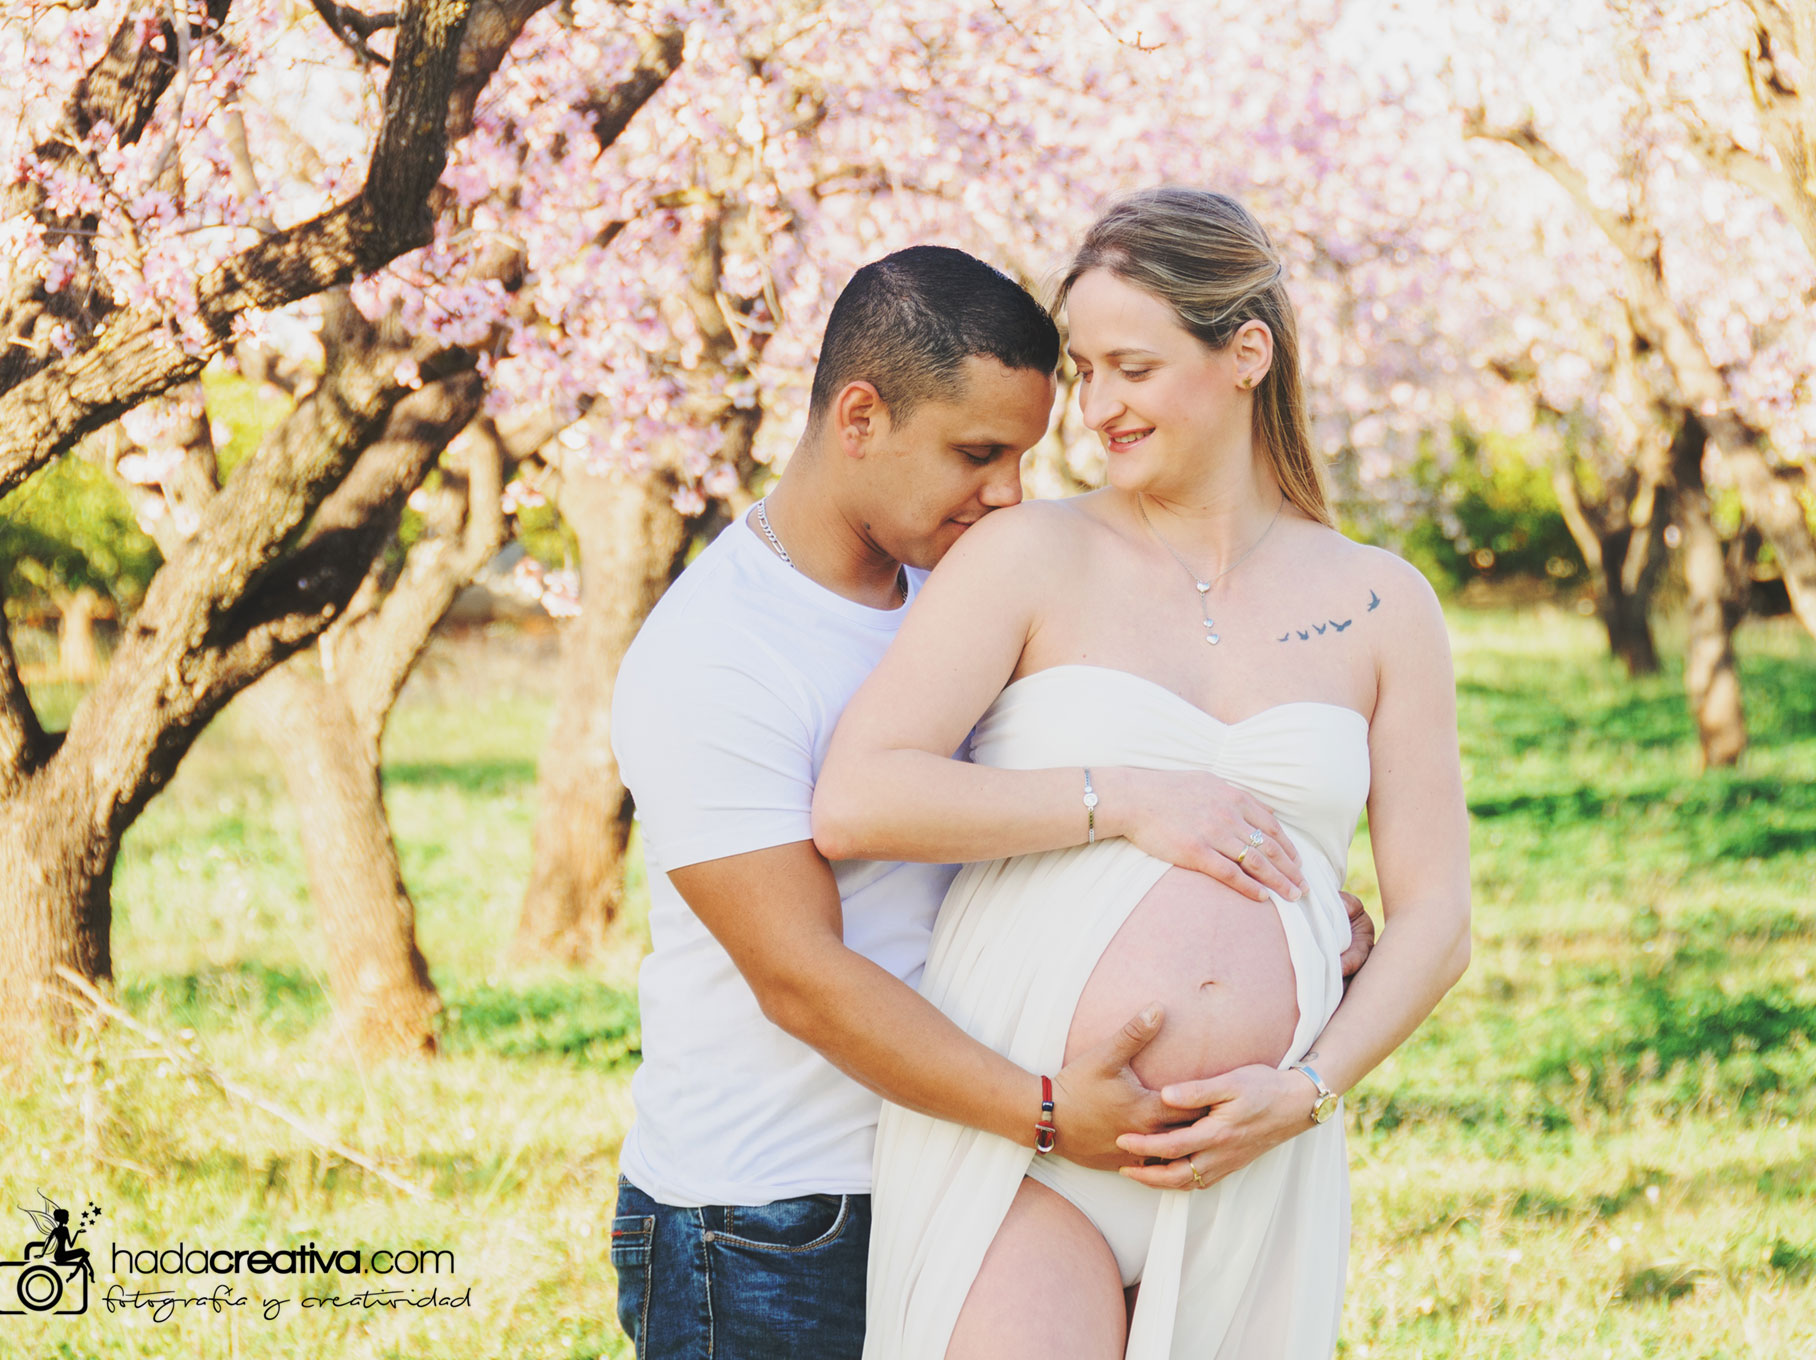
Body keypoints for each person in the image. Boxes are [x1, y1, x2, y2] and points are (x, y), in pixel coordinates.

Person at [607, 244, 1374, 1360]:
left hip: (962, 1176)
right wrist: (1049, 1110)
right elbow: (799, 977)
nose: (1009, 492)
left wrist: (1288, 916)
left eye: (1021, 454)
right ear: (858, 417)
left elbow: (1041, 814)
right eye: (976, 454)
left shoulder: (961, 579)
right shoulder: (717, 652)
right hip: (775, 1214)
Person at [812, 189, 1472, 1359]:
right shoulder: (1029, 553)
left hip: (1253, 1164)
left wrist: (1307, 1088)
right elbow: (861, 794)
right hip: (1024, 1141)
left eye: (1131, 367)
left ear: (1245, 354)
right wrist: (1119, 795)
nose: (1096, 408)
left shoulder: (1380, 601)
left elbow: (1435, 916)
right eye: (1084, 370)